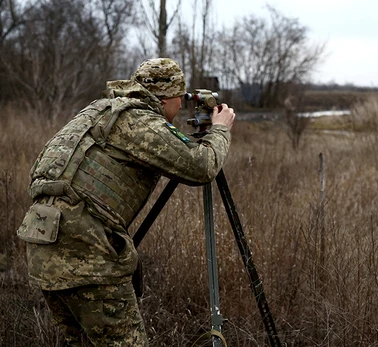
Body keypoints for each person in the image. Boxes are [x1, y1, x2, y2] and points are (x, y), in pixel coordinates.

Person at [17, 58, 235, 346]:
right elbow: (203, 167)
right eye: (179, 98)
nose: (181, 106)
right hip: (87, 254)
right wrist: (219, 129)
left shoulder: (98, 110)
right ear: (167, 98)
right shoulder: (141, 122)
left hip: (42, 245)